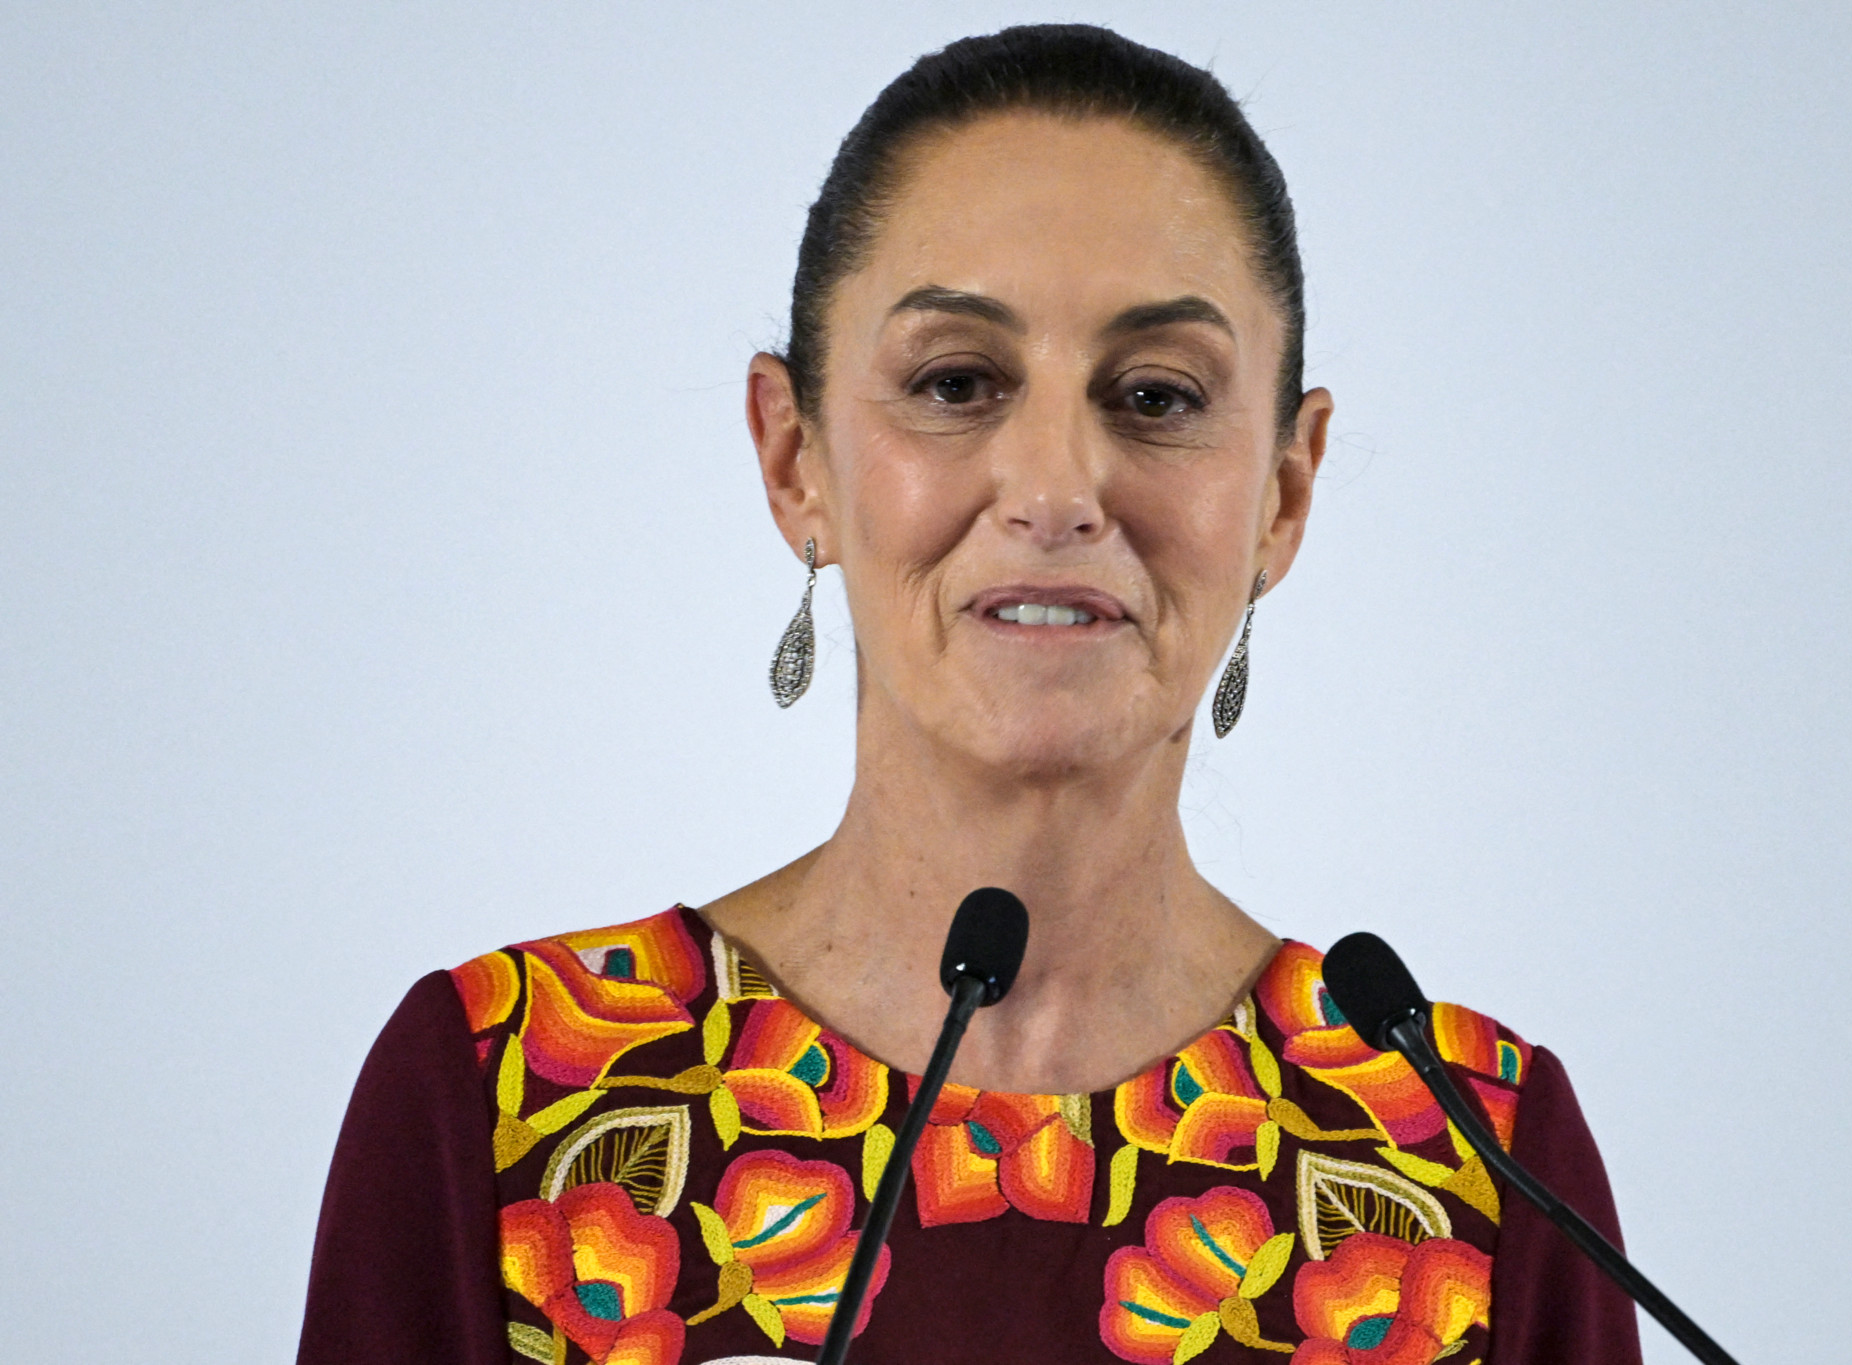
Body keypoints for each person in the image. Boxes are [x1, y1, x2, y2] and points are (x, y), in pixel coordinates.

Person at [298, 25, 1643, 1365]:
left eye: (1158, 395)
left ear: (1284, 496)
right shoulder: (503, 1112)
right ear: (794, 459)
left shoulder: (1479, 1169)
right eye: (956, 383)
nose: (1056, 489)